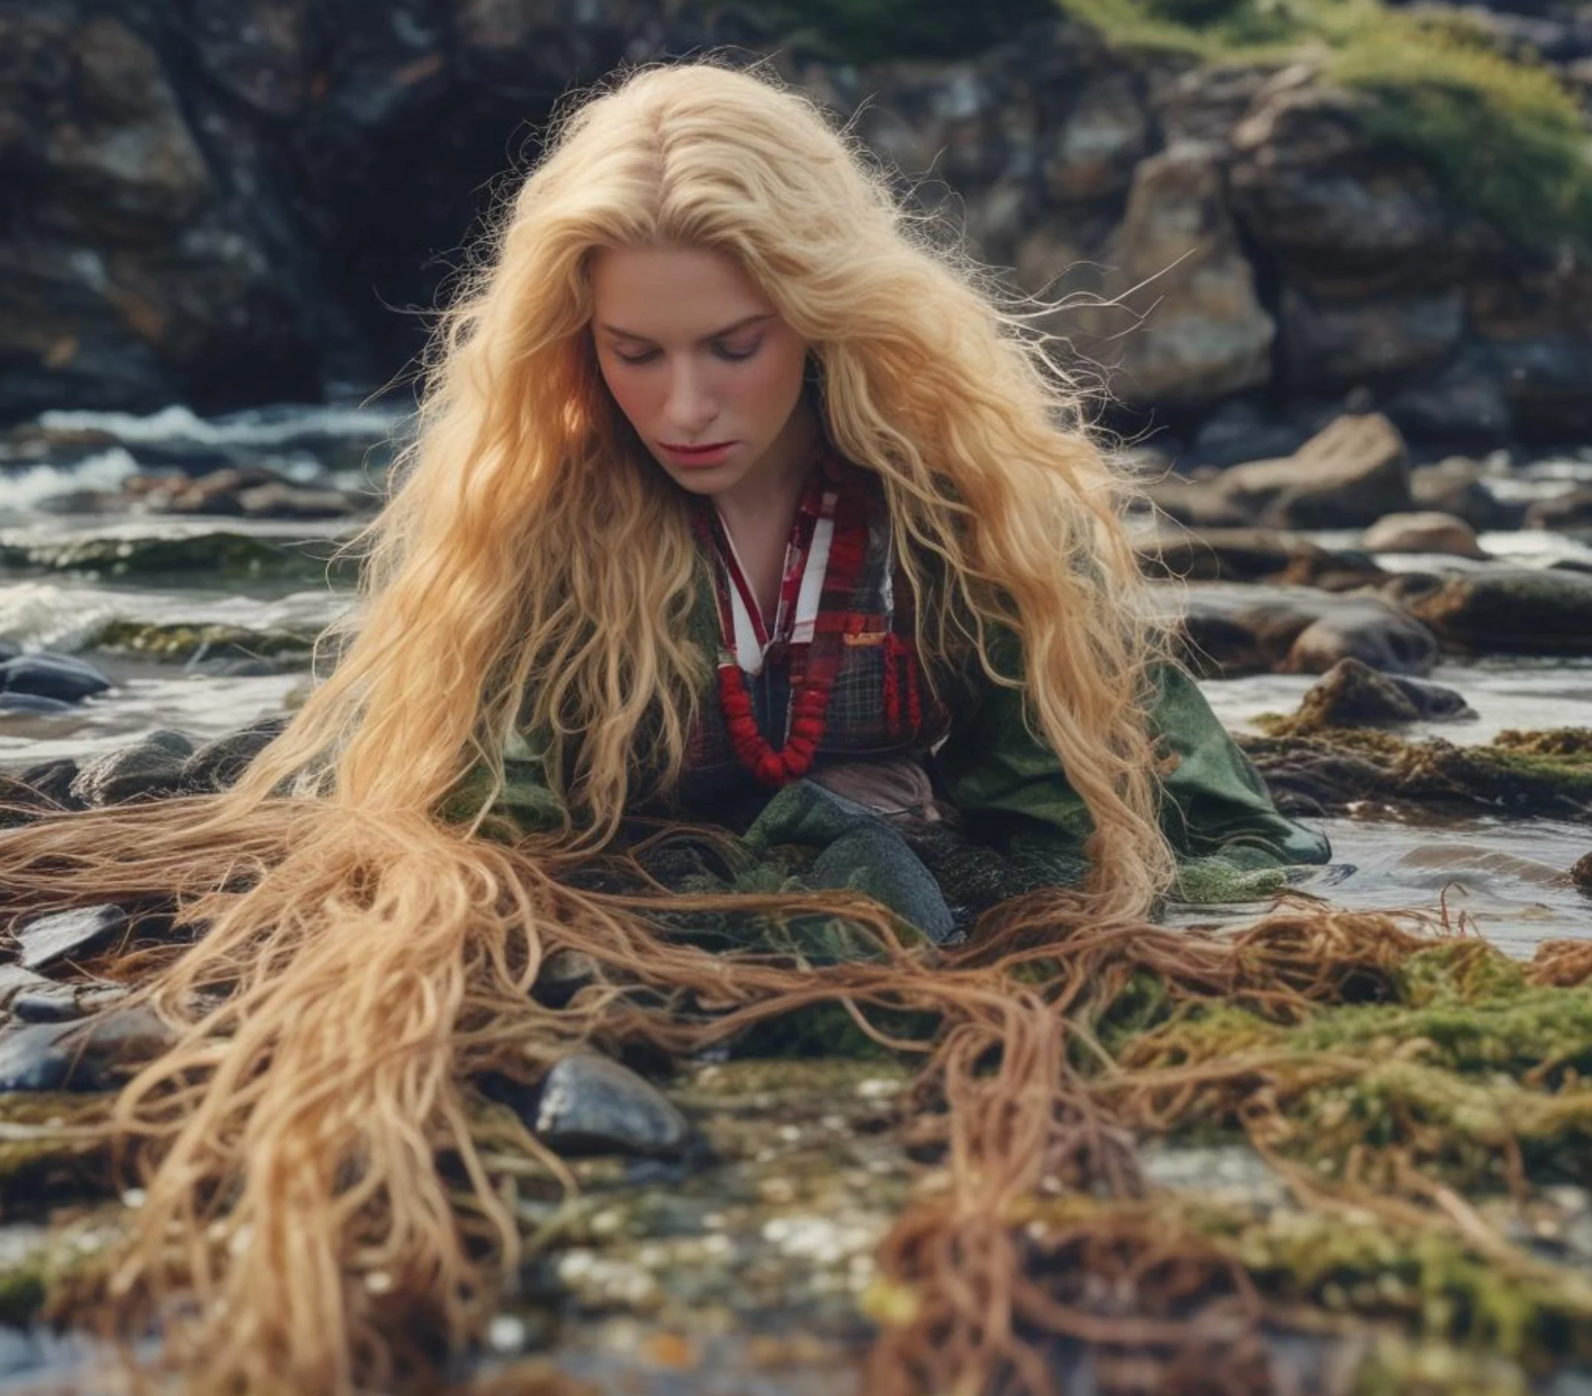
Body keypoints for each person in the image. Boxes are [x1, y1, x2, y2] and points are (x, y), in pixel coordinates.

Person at [0, 59, 1327, 1396]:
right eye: (634, 354)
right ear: (578, 347)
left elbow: (1134, 824)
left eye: (732, 347)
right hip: (644, 911)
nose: (685, 407)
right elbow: (487, 838)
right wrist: (798, 819)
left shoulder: (966, 513)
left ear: (821, 318)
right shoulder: (540, 523)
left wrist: (976, 881)